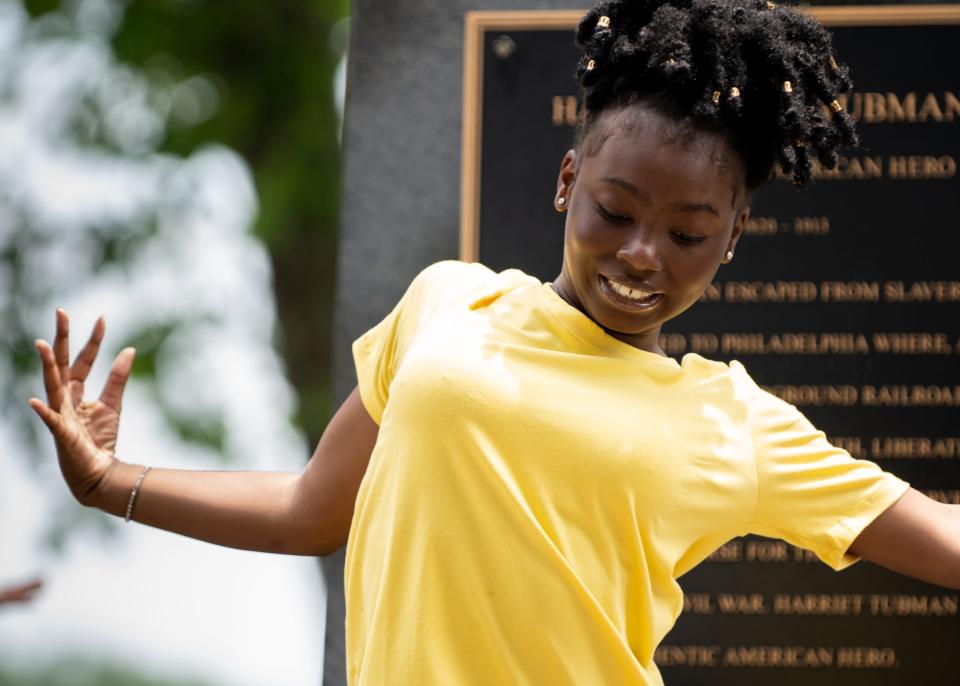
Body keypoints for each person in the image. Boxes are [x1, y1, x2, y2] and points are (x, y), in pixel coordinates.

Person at [28, 0, 960, 684]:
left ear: (731, 238)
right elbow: (312, 510)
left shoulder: (736, 424)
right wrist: (113, 485)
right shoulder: (447, 303)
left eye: (686, 234)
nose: (642, 254)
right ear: (567, 181)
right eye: (615, 210)